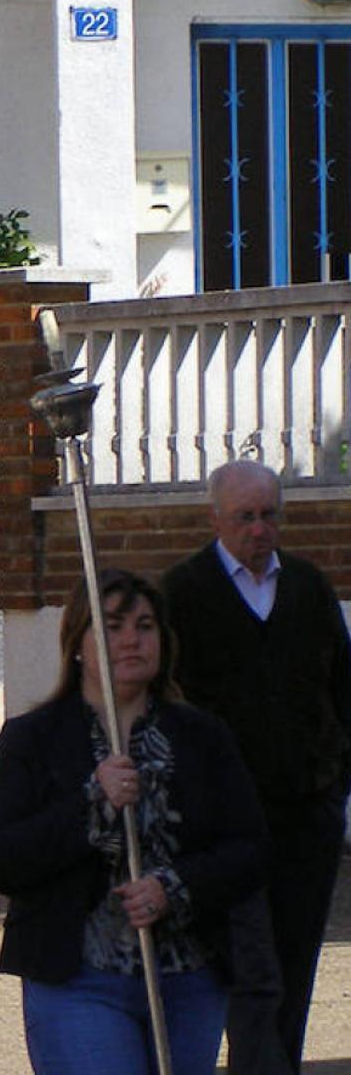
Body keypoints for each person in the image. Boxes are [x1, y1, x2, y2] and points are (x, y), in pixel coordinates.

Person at [0, 571, 269, 1075]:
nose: (132, 638)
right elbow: (0, 858)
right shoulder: (34, 739)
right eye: (112, 626)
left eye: (145, 625)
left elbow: (249, 848)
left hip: (188, 978)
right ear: (77, 645)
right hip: (76, 980)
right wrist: (93, 801)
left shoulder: (203, 737)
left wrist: (173, 887)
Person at [161, 459, 351, 1073]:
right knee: (241, 967)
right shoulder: (181, 593)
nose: (259, 529)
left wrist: (334, 784)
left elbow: (342, 691)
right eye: (245, 517)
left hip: (304, 817)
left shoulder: (308, 588)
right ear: (215, 517)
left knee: (293, 967)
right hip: (221, 824)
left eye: (270, 515)